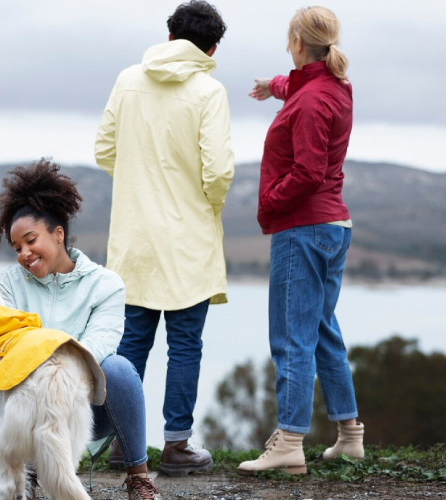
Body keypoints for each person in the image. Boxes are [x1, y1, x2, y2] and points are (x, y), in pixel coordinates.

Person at [94, 0, 234, 476]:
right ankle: (177, 447)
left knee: (130, 345)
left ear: (171, 36)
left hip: (133, 237)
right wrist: (204, 206)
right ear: (212, 48)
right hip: (187, 239)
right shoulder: (209, 90)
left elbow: (104, 150)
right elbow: (218, 171)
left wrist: (138, 184)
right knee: (185, 345)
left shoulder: (128, 79)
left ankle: (120, 444)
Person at [237, 6, 364, 475]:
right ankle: (350, 436)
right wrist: (270, 85)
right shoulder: (331, 86)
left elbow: (308, 172)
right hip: (333, 227)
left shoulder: (311, 102)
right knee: (322, 329)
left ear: (296, 41)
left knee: (292, 336)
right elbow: (295, 85)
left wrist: (269, 202)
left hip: (303, 229)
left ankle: (289, 441)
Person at [0, 159, 162, 500]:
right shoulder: (9, 284)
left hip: (83, 410)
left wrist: (59, 370)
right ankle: (30, 471)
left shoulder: (105, 284)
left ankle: (139, 478)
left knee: (119, 368)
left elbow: (101, 342)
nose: (25, 254)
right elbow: (8, 343)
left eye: (30, 240)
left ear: (58, 234)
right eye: (17, 248)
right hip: (26, 410)